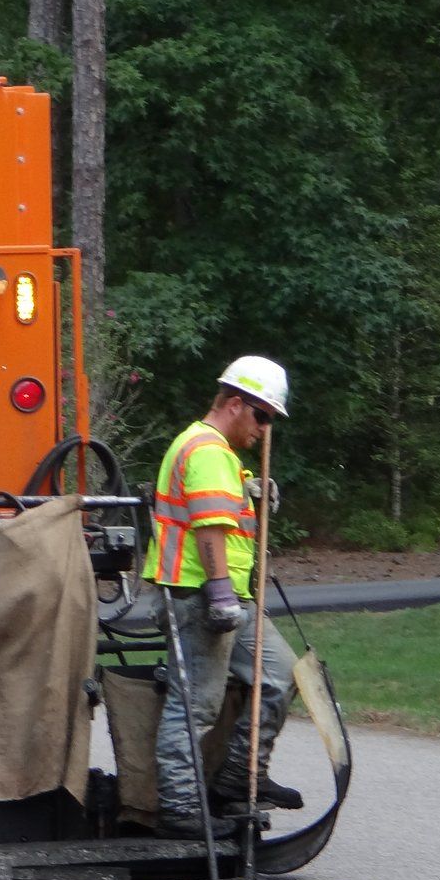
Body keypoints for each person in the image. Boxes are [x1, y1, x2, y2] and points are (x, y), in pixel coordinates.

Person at [143, 356, 302, 841]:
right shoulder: (207, 449)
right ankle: (180, 808)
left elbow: (223, 514)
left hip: (232, 598)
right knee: (196, 706)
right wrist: (219, 592)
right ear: (235, 404)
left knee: (282, 674)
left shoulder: (222, 456)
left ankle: (239, 776)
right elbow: (210, 527)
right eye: (262, 416)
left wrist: (250, 493)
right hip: (199, 596)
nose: (264, 428)